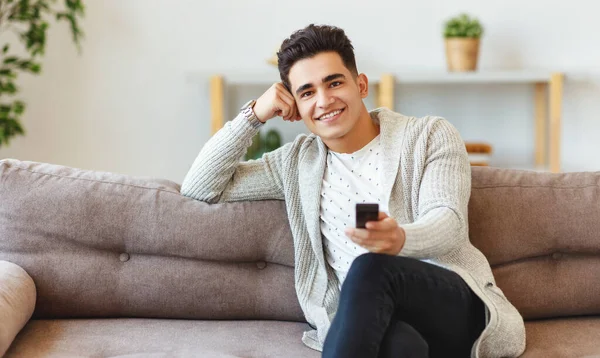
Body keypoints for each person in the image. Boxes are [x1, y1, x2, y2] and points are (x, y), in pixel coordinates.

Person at [181, 24, 526, 358]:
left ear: (360, 85)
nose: (324, 100)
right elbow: (199, 186)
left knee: (371, 266)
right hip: (375, 318)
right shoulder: (295, 164)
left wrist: (400, 239)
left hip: (452, 308)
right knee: (401, 346)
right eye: (307, 92)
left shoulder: (428, 136)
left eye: (334, 83)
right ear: (296, 109)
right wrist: (253, 115)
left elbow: (448, 223)